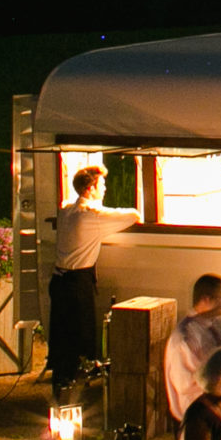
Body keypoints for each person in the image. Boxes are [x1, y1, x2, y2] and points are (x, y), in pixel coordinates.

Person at [47, 164, 142, 389]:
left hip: (58, 279)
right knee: (82, 330)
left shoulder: (66, 211)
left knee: (61, 332)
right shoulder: (92, 215)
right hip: (77, 280)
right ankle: (79, 379)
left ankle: (61, 378)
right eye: (103, 184)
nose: (106, 188)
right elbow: (133, 215)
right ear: (90, 188)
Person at [163, 273, 221, 425]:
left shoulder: (216, 323)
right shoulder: (185, 337)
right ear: (206, 299)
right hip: (197, 414)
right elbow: (185, 384)